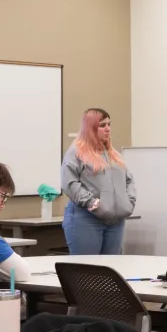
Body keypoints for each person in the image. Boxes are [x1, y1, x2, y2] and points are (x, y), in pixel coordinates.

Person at [61, 108, 135, 255]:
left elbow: (129, 180)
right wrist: (92, 203)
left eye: (109, 124)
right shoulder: (76, 152)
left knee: (111, 269)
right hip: (86, 220)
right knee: (88, 270)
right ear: (90, 128)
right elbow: (70, 184)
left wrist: (128, 202)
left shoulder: (113, 154)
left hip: (115, 222)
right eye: (102, 125)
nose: (108, 129)